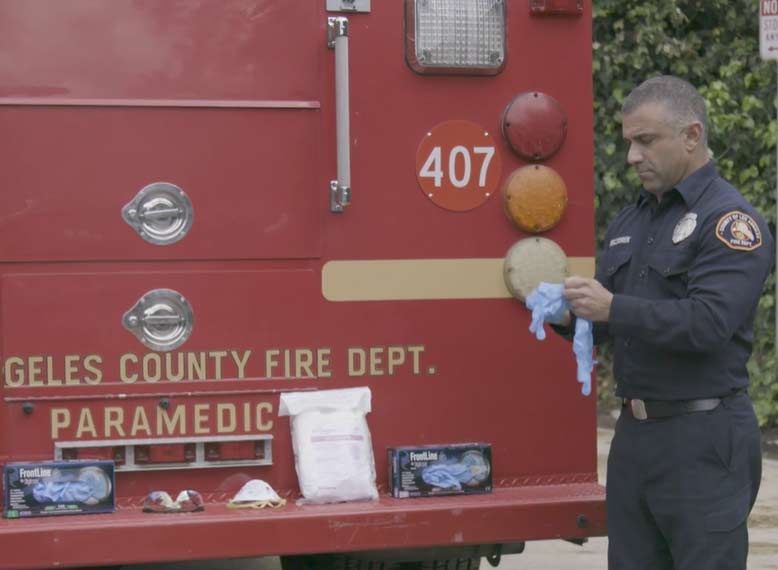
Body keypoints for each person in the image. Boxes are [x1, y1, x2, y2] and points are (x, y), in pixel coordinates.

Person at [555, 75, 774, 569]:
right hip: (634, 438)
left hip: (703, 437)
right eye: (629, 142)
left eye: (646, 141)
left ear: (692, 136)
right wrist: (567, 313)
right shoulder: (632, 221)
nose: (632, 156)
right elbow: (610, 322)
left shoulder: (732, 223)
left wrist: (613, 306)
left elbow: (709, 322)